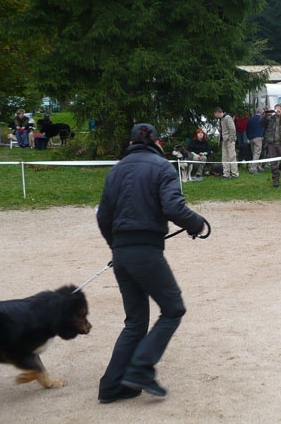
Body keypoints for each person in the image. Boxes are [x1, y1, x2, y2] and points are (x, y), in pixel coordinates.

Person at [97, 123, 209, 403]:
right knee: (173, 310)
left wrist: (117, 247)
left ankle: (112, 386)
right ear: (156, 142)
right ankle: (141, 369)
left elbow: (102, 216)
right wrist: (197, 223)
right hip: (145, 251)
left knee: (135, 321)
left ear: (132, 142)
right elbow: (172, 207)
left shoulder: (116, 169)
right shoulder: (162, 167)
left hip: (122, 253)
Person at [260, 104, 281, 187]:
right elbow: (261, 122)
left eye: (279, 109)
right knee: (273, 163)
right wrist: (266, 114)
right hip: (272, 143)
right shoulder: (270, 118)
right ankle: (275, 181)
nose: (277, 111)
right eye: (276, 109)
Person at [214, 107, 238, 179]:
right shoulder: (221, 119)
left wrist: (231, 139)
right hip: (223, 140)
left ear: (218, 113)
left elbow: (232, 129)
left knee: (232, 157)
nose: (215, 116)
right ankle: (226, 173)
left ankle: (235, 174)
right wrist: (219, 130)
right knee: (224, 158)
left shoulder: (228, 118)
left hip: (229, 141)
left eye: (215, 114)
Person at [246, 108, 265, 174]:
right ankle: (253, 168)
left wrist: (248, 137)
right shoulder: (262, 119)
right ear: (262, 113)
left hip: (251, 138)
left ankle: (257, 167)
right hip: (258, 138)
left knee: (254, 153)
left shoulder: (250, 119)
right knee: (257, 153)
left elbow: (247, 128)